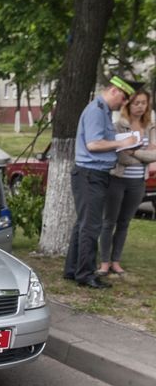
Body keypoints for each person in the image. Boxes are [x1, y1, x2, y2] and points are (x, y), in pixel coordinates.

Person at [63, 76, 141, 290]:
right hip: (90, 174)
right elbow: (94, 144)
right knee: (91, 226)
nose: (124, 103)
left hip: (91, 174)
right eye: (124, 98)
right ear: (114, 91)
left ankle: (73, 270)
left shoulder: (103, 110)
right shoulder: (97, 110)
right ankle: (86, 275)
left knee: (83, 224)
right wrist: (121, 142)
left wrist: (120, 145)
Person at [98, 88, 156, 276]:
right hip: (117, 179)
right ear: (128, 104)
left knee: (124, 222)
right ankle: (104, 262)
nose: (140, 107)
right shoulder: (118, 126)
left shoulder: (151, 127)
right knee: (109, 222)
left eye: (143, 103)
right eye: (136, 103)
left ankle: (116, 262)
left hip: (138, 182)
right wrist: (143, 155)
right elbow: (121, 156)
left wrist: (136, 152)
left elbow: (153, 156)